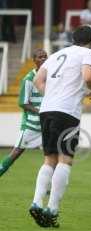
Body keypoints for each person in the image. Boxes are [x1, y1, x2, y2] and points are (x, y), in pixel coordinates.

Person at [30, 26, 91, 228]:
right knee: (65, 159)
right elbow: (88, 77)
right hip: (67, 112)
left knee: (49, 159)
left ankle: (36, 202)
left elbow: (38, 80)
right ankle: (52, 209)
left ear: (73, 38)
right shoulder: (88, 52)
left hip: (47, 110)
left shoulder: (57, 54)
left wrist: (53, 95)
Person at [0, 49, 48, 177]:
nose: (43, 59)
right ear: (34, 61)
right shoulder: (29, 79)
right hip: (31, 125)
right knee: (16, 153)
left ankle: (48, 187)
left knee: (52, 156)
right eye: (40, 57)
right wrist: (40, 111)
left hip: (46, 124)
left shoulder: (50, 78)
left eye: (45, 57)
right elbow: (23, 103)